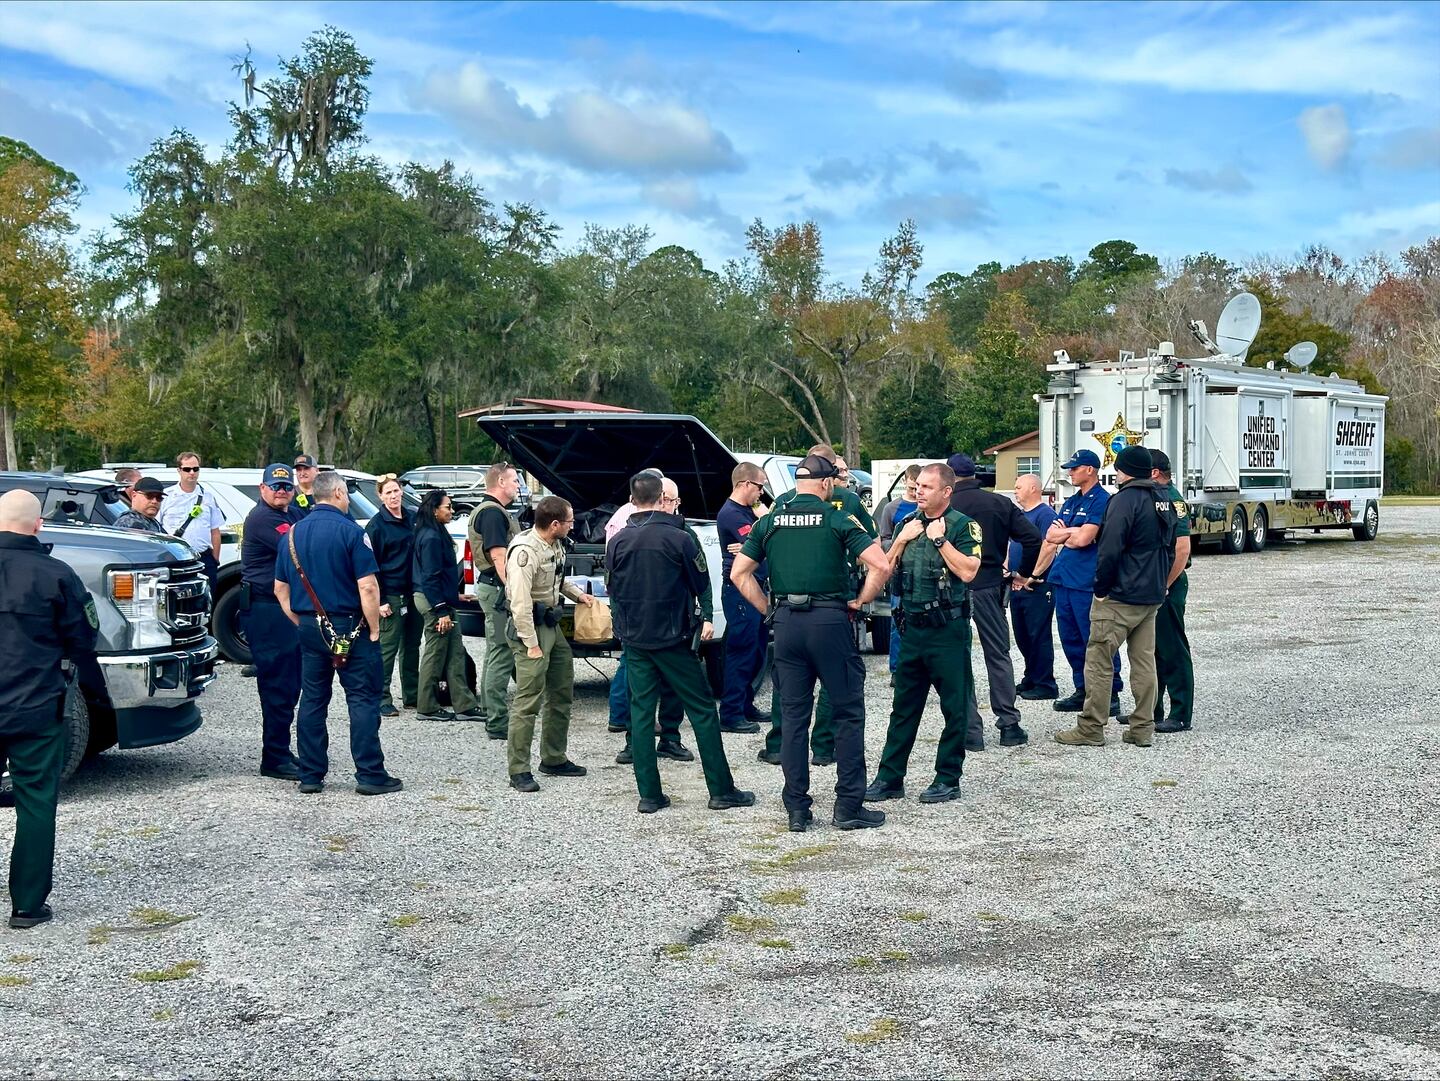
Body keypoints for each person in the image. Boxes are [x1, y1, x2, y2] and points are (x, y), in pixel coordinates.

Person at [731, 454, 890, 833]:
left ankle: (797, 810)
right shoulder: (836, 518)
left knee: (794, 718)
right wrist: (862, 599)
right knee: (848, 713)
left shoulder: (769, 521)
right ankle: (848, 806)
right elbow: (880, 565)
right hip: (830, 621)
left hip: (787, 625)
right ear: (824, 484)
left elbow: (740, 573)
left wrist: (769, 609)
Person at [608, 471, 755, 815]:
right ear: (662, 498)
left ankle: (649, 794)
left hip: (636, 639)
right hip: (673, 638)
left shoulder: (618, 540)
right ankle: (721, 789)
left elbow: (612, 587)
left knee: (641, 715)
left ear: (633, 499)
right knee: (703, 711)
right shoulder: (679, 539)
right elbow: (699, 580)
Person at [0, 489, 108, 928]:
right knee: (36, 802)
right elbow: (85, 639)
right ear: (38, 524)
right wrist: (98, 694)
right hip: (35, 706)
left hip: (32, 703)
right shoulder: (56, 575)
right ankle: (27, 905)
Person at [273, 470, 402, 795]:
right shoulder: (351, 532)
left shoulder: (291, 535)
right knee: (361, 699)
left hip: (309, 626)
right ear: (340, 494)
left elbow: (279, 589)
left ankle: (311, 775)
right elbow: (368, 588)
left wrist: (300, 620)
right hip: (351, 627)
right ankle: (370, 774)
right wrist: (373, 628)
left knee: (313, 699)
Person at [864, 463, 982, 805]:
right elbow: (885, 570)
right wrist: (900, 541)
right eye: (917, 486)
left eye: (927, 487)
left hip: (947, 630)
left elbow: (969, 571)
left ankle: (948, 778)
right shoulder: (906, 524)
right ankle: (890, 778)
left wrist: (940, 540)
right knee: (903, 708)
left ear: (946, 491)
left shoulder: (962, 526)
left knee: (954, 708)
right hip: (912, 628)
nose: (919, 492)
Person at [758, 443, 877, 769]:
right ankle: (824, 746)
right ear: (828, 476)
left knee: (788, 685)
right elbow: (874, 546)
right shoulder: (849, 503)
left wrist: (766, 607)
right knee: (835, 681)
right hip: (836, 600)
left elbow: (748, 563)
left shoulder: (782, 503)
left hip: (786, 607)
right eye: (838, 470)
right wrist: (865, 594)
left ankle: (779, 745)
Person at [1055, 446, 1174, 748]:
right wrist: (1161, 582)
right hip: (1151, 594)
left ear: (1125, 470)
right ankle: (1142, 727)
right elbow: (1171, 546)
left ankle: (1091, 727)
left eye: (1118, 467)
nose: (1116, 472)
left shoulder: (1123, 501)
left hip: (1121, 594)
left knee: (1098, 658)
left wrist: (1101, 587)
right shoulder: (1164, 498)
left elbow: (1110, 549)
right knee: (1144, 661)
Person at [504, 495, 597, 792]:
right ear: (554, 524)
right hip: (530, 627)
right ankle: (519, 769)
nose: (572, 526)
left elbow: (556, 580)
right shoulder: (525, 551)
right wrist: (531, 644)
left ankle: (554, 758)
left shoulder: (554, 545)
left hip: (550, 624)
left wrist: (577, 595)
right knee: (528, 699)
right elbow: (519, 604)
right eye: (569, 522)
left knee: (561, 691)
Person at [947, 453, 1040, 749]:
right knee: (998, 655)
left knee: (957, 657)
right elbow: (1033, 538)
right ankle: (1009, 725)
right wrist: (1022, 573)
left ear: (949, 477)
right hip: (989, 584)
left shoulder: (945, 505)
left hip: (953, 586)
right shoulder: (1000, 503)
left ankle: (970, 731)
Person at [604, 469, 688, 760]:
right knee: (638, 690)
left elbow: (698, 582)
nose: (675, 506)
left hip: (672, 625)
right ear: (662, 499)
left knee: (672, 688)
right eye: (673, 501)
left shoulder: (681, 533)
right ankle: (633, 742)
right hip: (639, 625)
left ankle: (669, 738)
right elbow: (614, 582)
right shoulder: (623, 532)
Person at [239, 464, 304, 780]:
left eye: (286, 486)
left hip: (281, 610)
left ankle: (281, 749)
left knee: (290, 683)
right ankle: (274, 758)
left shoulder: (290, 514)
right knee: (278, 685)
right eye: (275, 486)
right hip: (266, 610)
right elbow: (297, 549)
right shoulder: (263, 518)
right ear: (262, 489)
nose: (281, 491)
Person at [1046, 449, 1122, 718]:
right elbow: (1051, 535)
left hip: (1086, 582)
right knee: (1071, 639)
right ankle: (1084, 688)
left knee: (1097, 638)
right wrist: (1070, 533)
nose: (1070, 472)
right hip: (1064, 579)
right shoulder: (1071, 501)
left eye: (1075, 468)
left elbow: (1082, 539)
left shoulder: (1102, 501)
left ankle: (1110, 693)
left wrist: (1067, 534)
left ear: (1090, 469)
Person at [412, 491, 485, 724]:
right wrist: (441, 610)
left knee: (455, 653)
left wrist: (455, 597)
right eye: (448, 507)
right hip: (432, 602)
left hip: (439, 599)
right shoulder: (431, 537)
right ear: (435, 510)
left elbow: (441, 576)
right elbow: (430, 577)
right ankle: (427, 707)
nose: (451, 511)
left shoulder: (436, 531)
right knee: (435, 655)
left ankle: (465, 705)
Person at [466, 463, 521, 741]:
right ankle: (498, 721)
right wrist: (514, 592)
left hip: (491, 589)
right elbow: (499, 557)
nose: (519, 485)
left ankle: (490, 710)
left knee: (494, 650)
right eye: (514, 480)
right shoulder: (492, 514)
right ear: (500, 481)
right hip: (499, 590)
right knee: (502, 652)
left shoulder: (489, 511)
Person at [715, 462, 768, 735]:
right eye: (760, 486)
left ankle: (746, 704)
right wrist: (758, 540)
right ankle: (731, 713)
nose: (762, 493)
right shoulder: (732, 514)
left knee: (757, 651)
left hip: (755, 586)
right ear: (745, 484)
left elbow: (758, 545)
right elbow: (762, 547)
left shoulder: (749, 512)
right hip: (739, 590)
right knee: (741, 651)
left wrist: (756, 538)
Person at [365, 474, 422, 719]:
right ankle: (381, 698)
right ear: (380, 496)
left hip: (414, 592)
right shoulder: (376, 526)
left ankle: (412, 694)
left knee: (412, 646)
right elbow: (370, 565)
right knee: (387, 648)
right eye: (388, 492)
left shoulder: (412, 518)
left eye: (396, 491)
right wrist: (379, 602)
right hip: (391, 594)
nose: (393, 496)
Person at [1146, 450, 1194, 734]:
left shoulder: (1174, 501)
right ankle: (1151, 709)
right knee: (1150, 650)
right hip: (1154, 583)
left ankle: (1180, 713)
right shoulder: (1154, 499)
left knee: (1172, 649)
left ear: (1154, 473)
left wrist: (1164, 584)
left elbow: (1182, 548)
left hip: (1168, 584)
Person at [1008, 474, 1060, 701]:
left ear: (1033, 488)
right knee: (1022, 634)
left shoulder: (1045, 514)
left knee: (1038, 634)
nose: (1015, 491)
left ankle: (1045, 683)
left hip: (1037, 585)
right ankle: (1031, 676)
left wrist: (1032, 575)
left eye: (1019, 487)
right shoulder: (1019, 515)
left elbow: (1048, 547)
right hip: (1016, 583)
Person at [878, 465, 921, 679]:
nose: (915, 492)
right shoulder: (892, 509)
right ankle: (896, 669)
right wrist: (901, 541)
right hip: (900, 573)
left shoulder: (928, 508)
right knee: (897, 622)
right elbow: (883, 539)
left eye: (919, 487)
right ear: (905, 482)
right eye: (912, 487)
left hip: (922, 573)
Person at [160, 451, 224, 588]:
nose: (192, 473)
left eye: (195, 469)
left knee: (207, 600)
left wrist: (215, 559)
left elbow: (215, 531)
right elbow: (156, 530)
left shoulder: (208, 497)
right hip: (175, 559)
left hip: (203, 558)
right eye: (187, 469)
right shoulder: (166, 497)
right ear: (179, 470)